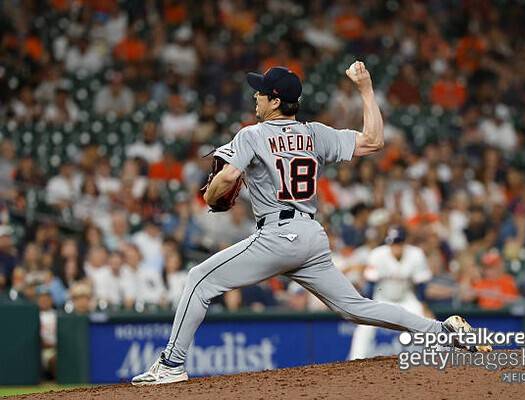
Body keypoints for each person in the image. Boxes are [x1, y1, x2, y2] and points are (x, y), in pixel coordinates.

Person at [132, 63, 490, 386]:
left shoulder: (252, 134)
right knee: (355, 307)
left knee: (199, 279)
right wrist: (366, 89)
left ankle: (171, 364)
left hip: (277, 235)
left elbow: (226, 178)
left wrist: (211, 197)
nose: (255, 96)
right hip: (310, 235)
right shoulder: (315, 133)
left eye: (261, 92)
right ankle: (442, 331)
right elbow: (374, 141)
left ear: (275, 101)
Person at [348, 227, 432, 360]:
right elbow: (370, 284)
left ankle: (433, 358)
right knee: (364, 327)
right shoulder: (377, 255)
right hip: (382, 299)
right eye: (393, 243)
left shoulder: (416, 254)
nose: (395, 246)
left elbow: (421, 285)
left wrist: (423, 306)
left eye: (398, 242)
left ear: (405, 242)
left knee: (426, 322)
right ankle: (355, 358)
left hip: (406, 299)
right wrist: (366, 307)